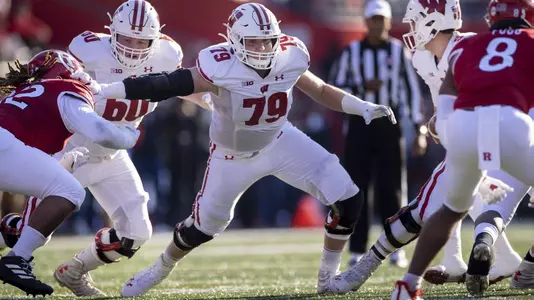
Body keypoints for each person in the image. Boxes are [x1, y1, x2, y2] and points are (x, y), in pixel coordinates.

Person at [80, 2, 397, 296]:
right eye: (252, 42)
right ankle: (160, 267)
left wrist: (362, 107)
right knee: (202, 229)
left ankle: (329, 277)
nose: (262, 49)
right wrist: (108, 89)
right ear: (233, 42)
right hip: (231, 156)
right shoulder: (220, 65)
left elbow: (320, 90)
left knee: (349, 198)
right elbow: (164, 84)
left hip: (280, 140)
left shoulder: (290, 56)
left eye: (267, 41)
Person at [0, 0, 207, 297]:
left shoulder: (166, 53)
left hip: (113, 155)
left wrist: (213, 104)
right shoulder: (88, 48)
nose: (134, 47)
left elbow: (180, 86)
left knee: (136, 232)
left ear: (155, 38)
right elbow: (55, 86)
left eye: (142, 41)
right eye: (126, 39)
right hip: (73, 151)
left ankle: (74, 271)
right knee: (26, 232)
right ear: (111, 32)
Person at [318, 0, 524, 294]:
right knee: (451, 200)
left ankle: (364, 273)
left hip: (493, 138)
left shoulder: (471, 50)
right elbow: (444, 108)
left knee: (424, 206)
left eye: (415, 21)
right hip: (472, 140)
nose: (411, 28)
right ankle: (484, 260)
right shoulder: (423, 58)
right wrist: (437, 124)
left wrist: (443, 127)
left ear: (432, 22)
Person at [392, 0, 534, 298]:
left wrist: (443, 130)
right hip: (511, 123)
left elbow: (445, 100)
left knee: (451, 210)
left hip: (463, 127)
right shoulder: (529, 43)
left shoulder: (469, 45)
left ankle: (408, 283)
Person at [0, 49, 140, 296]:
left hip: (6, 145)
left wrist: (63, 165)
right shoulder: (65, 90)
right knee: (71, 191)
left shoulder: (23, 94)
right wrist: (128, 137)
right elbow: (100, 131)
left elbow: (25, 160)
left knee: (61, 187)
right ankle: (17, 259)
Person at [329, 0, 423, 268]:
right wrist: (361, 86)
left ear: (389, 22)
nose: (377, 24)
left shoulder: (398, 51)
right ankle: (357, 248)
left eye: (382, 19)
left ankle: (395, 247)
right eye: (373, 19)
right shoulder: (351, 52)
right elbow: (334, 86)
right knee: (357, 188)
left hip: (389, 126)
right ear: (366, 21)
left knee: (392, 187)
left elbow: (411, 92)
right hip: (359, 124)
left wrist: (418, 129)